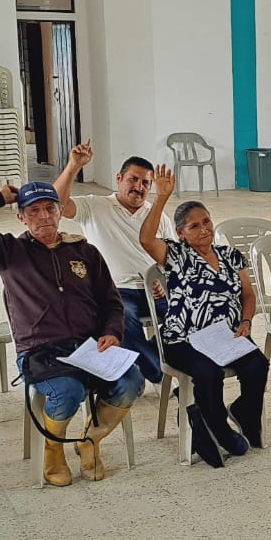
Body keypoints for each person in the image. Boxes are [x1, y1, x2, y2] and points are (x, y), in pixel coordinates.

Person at [0, 183, 145, 485]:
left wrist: (111, 333)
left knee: (132, 381)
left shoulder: (85, 252)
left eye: (50, 208)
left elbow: (112, 302)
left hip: (89, 348)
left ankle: (90, 440)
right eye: (34, 211)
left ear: (60, 212)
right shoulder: (8, 252)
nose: (44, 216)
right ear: (21, 218)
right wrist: (0, 198)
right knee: (68, 391)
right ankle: (54, 449)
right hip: (41, 351)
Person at [139, 168, 271, 467]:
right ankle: (218, 429)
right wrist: (161, 198)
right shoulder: (177, 255)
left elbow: (248, 295)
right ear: (181, 233)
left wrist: (246, 322)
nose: (204, 229)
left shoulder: (230, 256)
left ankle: (243, 411)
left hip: (226, 335)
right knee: (208, 372)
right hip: (184, 339)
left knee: (257, 365)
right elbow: (146, 239)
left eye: (207, 221)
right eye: (194, 226)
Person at [51, 140, 177, 385]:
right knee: (122, 321)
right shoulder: (95, 206)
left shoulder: (158, 216)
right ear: (119, 179)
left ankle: (157, 359)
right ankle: (160, 373)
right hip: (116, 291)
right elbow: (58, 205)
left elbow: (171, 258)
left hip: (154, 290)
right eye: (133, 179)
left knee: (191, 313)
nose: (138, 187)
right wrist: (73, 166)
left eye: (145, 183)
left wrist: (165, 281)